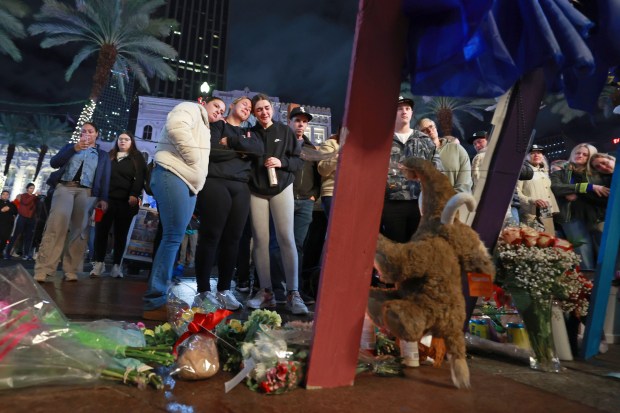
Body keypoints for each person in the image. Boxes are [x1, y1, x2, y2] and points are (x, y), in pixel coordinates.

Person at [142, 97, 221, 321]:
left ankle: (159, 296)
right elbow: (176, 129)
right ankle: (153, 300)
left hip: (188, 184)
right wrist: (195, 160)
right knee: (172, 237)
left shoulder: (205, 127)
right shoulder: (190, 108)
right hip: (172, 174)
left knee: (173, 238)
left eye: (222, 110)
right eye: (216, 106)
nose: (219, 111)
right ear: (204, 102)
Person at [193, 96, 262, 311]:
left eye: (250, 108)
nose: (247, 108)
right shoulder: (217, 125)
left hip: (241, 188)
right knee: (211, 236)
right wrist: (242, 152)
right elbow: (211, 152)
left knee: (234, 239)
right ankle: (203, 291)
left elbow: (257, 152)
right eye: (244, 104)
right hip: (216, 183)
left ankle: (224, 290)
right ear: (232, 105)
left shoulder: (249, 132)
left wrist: (231, 143)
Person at [246, 93, 308, 315]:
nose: (263, 112)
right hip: (256, 190)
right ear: (254, 113)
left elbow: (298, 160)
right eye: (259, 109)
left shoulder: (285, 131)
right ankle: (266, 293)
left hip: (282, 187)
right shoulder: (250, 134)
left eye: (266, 108)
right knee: (260, 240)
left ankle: (293, 293)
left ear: (272, 109)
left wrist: (281, 162)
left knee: (286, 238)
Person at [34, 122, 111, 282]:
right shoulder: (71, 147)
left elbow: (105, 178)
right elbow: (54, 163)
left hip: (87, 192)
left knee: (79, 230)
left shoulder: (103, 155)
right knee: (56, 226)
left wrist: (103, 198)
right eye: (84, 131)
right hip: (64, 187)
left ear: (97, 134)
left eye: (91, 131)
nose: (87, 134)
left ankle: (71, 269)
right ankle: (44, 269)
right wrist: (74, 149)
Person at [270, 106, 321, 304]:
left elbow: (317, 177)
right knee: (277, 244)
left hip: (305, 202)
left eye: (304, 121)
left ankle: (295, 290)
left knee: (297, 246)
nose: (300, 124)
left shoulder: (311, 148)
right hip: (284, 199)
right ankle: (277, 289)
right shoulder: (281, 144)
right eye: (297, 120)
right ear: (289, 122)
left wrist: (313, 196)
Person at [381, 96, 443, 243]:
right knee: (396, 249)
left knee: (418, 249)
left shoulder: (423, 140)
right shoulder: (383, 140)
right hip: (391, 203)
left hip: (419, 203)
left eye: (407, 108)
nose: (404, 111)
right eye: (399, 109)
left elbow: (438, 169)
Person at [90, 131, 146, 278]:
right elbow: (101, 175)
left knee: (121, 235)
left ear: (131, 142)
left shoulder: (137, 157)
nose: (123, 141)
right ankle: (98, 264)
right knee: (101, 233)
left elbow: (140, 177)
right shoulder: (109, 155)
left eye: (126, 139)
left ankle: (116, 266)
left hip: (126, 202)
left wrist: (134, 194)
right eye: (120, 139)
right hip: (106, 201)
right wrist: (101, 197)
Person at [551, 143, 609, 270]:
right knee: (583, 252)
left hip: (596, 217)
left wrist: (574, 191)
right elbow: (557, 188)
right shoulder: (560, 173)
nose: (580, 156)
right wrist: (589, 187)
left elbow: (604, 194)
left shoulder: (597, 172)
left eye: (585, 154)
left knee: (604, 253)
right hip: (571, 217)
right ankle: (588, 284)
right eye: (578, 153)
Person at [417, 118, 472, 193]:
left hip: (459, 201)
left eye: (431, 126)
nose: (430, 131)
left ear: (435, 128)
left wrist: (451, 199)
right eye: (424, 130)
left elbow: (465, 182)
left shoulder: (457, 149)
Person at [516, 144, 559, 234]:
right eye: (532, 153)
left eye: (539, 153)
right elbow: (517, 192)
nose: (536, 155)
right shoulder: (522, 171)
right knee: (534, 240)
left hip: (545, 210)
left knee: (550, 236)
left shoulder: (543, 172)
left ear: (542, 156)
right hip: (530, 211)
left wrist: (553, 208)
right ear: (526, 156)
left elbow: (548, 192)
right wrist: (532, 200)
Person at [4, 183, 39, 260]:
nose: (32, 190)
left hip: (31, 219)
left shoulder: (35, 198)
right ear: (27, 189)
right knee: (15, 235)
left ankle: (26, 254)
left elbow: (36, 207)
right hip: (22, 218)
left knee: (28, 237)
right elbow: (26, 202)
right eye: (30, 188)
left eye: (33, 188)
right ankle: (7, 253)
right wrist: (34, 196)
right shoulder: (23, 196)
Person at [318, 133, 340, 218]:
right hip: (333, 193)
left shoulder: (360, 147)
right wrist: (338, 156)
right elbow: (323, 169)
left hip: (355, 193)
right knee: (337, 228)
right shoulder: (330, 143)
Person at [0, 190, 17, 257]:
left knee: (4, 239)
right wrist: (1, 210)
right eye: (4, 194)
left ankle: (0, 252)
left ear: (9, 196)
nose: (5, 196)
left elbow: (15, 212)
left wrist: (9, 209)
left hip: (8, 225)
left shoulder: (11, 204)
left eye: (7, 194)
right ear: (1, 195)